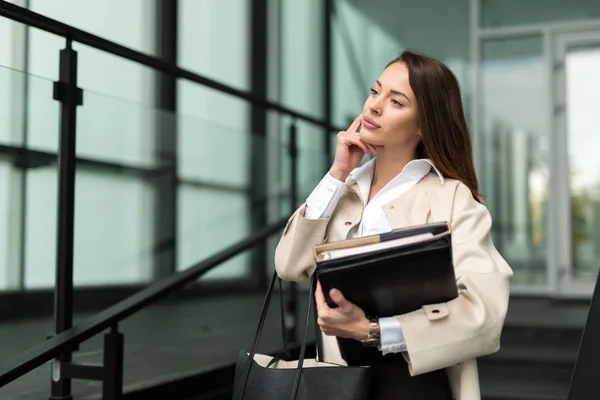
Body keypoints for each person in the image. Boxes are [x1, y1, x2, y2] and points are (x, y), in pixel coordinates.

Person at [274, 50, 513, 400]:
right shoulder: (344, 188)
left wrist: (372, 330)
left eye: (396, 101)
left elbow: (484, 314)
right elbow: (288, 264)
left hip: (413, 384)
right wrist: (337, 172)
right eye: (375, 91)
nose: (374, 106)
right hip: (339, 381)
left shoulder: (452, 199)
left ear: (423, 124)